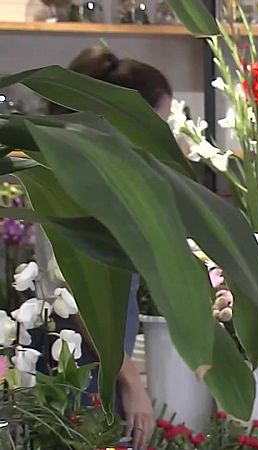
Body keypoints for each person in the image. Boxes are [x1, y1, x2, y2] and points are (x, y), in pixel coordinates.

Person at [40, 46, 173, 449]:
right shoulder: (71, 183)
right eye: (159, 125)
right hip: (77, 369)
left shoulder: (101, 180)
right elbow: (75, 294)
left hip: (106, 365)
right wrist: (131, 382)